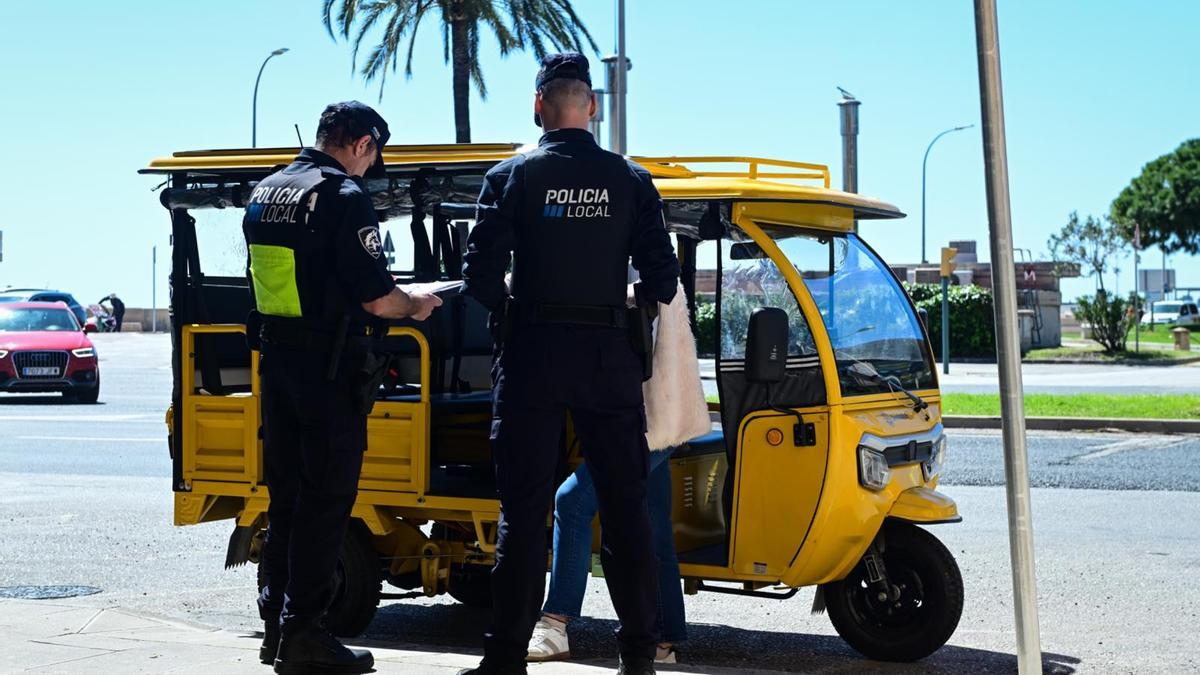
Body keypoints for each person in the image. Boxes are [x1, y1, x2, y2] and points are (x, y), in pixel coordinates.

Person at [459, 53, 680, 675]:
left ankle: (505, 658)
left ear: (538, 108)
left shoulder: (511, 176)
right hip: (607, 356)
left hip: (531, 354)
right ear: (592, 108)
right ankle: (638, 657)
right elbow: (663, 279)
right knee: (626, 508)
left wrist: (515, 309)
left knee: (523, 514)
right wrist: (615, 300)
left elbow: (478, 277)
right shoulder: (630, 180)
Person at [242, 101, 442, 675]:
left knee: (286, 502)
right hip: (327, 371)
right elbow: (378, 298)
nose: (370, 167)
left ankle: (277, 628)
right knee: (327, 503)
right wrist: (417, 305)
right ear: (360, 143)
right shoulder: (342, 196)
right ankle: (305, 635)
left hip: (277, 365)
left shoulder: (267, 191)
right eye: (372, 154)